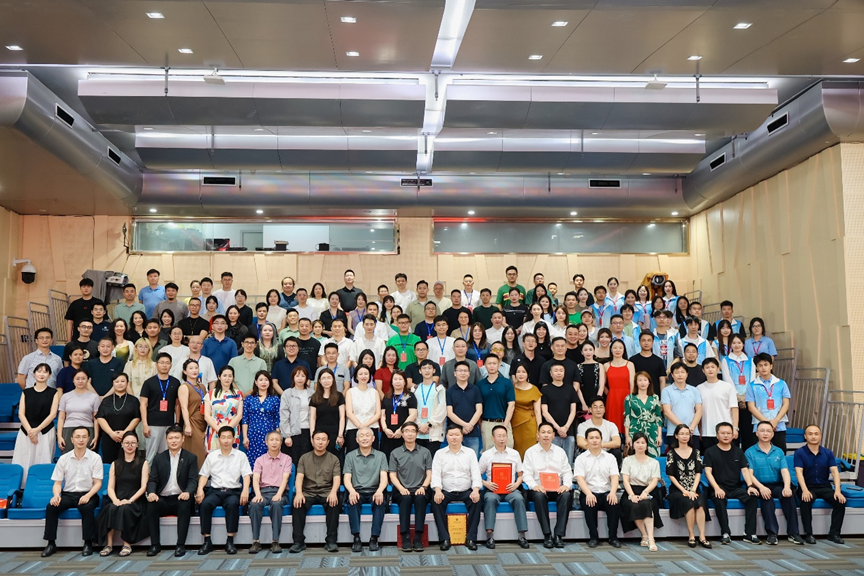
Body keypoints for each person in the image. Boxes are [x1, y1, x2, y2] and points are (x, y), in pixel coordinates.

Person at [39, 426, 102, 558]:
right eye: (78, 437)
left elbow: (98, 483)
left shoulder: (95, 457)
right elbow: (57, 483)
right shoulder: (64, 458)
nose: (81, 440)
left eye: (84, 437)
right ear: (72, 439)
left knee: (86, 508)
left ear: (88, 439)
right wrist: (56, 495)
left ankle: (88, 543)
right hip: (68, 494)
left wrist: (88, 495)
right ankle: (51, 543)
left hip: (88, 493)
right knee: (51, 507)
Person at [196, 426, 252, 555]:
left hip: (233, 491)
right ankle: (207, 541)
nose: (226, 440)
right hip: (215, 491)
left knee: (232, 505)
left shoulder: (240, 456)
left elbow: (246, 475)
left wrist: (245, 490)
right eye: (223, 437)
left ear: (234, 439)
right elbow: (204, 475)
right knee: (205, 504)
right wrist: (200, 489)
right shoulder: (212, 456)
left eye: (229, 437)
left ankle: (230, 541)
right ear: (218, 439)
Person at [746, 421, 804, 545]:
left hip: (776, 484)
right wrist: (761, 487)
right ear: (756, 433)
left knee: (788, 496)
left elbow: (785, 471)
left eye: (768, 431)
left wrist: (787, 487)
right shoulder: (750, 452)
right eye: (762, 431)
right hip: (759, 485)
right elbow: (749, 474)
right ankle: (772, 534)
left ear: (773, 434)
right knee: (766, 498)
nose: (765, 433)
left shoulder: (779, 451)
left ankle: (794, 533)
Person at [145, 425, 198, 557]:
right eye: (171, 438)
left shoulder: (191, 457)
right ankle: (155, 545)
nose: (174, 441)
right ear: (166, 440)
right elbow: (152, 480)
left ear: (183, 439)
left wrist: (188, 492)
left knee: (185, 505)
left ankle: (180, 545)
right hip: (163, 498)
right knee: (151, 505)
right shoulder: (159, 458)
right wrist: (151, 493)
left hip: (181, 498)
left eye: (176, 438)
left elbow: (193, 480)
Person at [703, 422, 759, 545]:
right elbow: (708, 472)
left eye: (728, 433)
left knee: (752, 496)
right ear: (717, 435)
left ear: (733, 435)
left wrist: (750, 486)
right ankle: (725, 532)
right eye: (723, 433)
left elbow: (745, 470)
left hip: (735, 487)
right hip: (718, 487)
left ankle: (750, 533)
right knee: (719, 499)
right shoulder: (710, 451)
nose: (726, 435)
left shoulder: (738, 451)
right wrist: (716, 488)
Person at [97, 431, 149, 557]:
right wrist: (115, 500)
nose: (129, 445)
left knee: (125, 509)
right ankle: (109, 544)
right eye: (127, 443)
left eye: (133, 443)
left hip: (136, 499)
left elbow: (144, 487)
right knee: (111, 508)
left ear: (137, 444)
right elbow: (110, 487)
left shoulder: (143, 463)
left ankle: (127, 544)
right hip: (118, 497)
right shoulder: (115, 464)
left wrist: (130, 500)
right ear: (122, 444)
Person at [431, 425, 482, 551]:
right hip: (446, 491)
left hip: (466, 491)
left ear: (462, 437)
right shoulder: (439, 454)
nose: (454, 437)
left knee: (477, 501)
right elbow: (436, 474)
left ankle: (471, 538)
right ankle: (444, 538)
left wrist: (476, 490)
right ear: (446, 437)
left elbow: (476, 473)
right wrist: (437, 490)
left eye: (457, 435)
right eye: (451, 435)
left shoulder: (470, 453)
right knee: (436, 501)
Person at [290, 429, 342, 553]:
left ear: (328, 442)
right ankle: (298, 542)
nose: (320, 442)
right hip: (308, 492)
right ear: (312, 441)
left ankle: (331, 541)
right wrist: (299, 493)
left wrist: (333, 492)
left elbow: (337, 478)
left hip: (326, 492)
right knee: (297, 504)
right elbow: (299, 477)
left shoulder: (334, 459)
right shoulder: (304, 458)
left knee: (334, 503)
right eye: (317, 439)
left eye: (323, 439)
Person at [794, 424, 847, 544]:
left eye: (816, 434)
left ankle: (834, 534)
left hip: (824, 486)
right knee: (806, 500)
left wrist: (837, 491)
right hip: (807, 486)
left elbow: (835, 472)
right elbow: (798, 472)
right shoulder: (799, 452)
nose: (813, 436)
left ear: (820, 436)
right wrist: (805, 490)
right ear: (805, 436)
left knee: (840, 501)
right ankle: (808, 534)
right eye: (810, 434)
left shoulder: (828, 453)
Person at [478, 425, 530, 549]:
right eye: (499, 436)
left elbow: (521, 474)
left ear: (507, 437)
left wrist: (516, 484)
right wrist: (486, 483)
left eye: (504, 436)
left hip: (510, 490)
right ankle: (490, 536)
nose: (502, 439)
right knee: (490, 500)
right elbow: (476, 475)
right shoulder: (486, 455)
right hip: (492, 490)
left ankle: (522, 536)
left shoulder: (514, 454)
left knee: (519, 499)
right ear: (493, 438)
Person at [523, 422, 574, 549]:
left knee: (566, 495)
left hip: (557, 488)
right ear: (538, 435)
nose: (546, 435)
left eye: (549, 432)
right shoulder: (530, 452)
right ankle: (547, 535)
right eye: (543, 432)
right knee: (539, 496)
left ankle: (558, 535)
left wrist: (566, 485)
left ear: (553, 435)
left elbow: (567, 472)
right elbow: (526, 474)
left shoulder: (560, 452)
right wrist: (534, 486)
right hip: (539, 488)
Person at [12, 363, 61, 484]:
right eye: (39, 371)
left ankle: (41, 485)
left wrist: (37, 430)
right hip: (26, 432)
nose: (41, 374)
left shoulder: (53, 392)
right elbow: (21, 414)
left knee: (43, 459)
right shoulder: (26, 392)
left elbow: (52, 415)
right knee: (23, 459)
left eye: (45, 372)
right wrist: (30, 431)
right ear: (34, 374)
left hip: (45, 431)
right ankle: (21, 487)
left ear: (49, 375)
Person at [389, 421, 433, 552]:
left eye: (413, 431)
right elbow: (392, 475)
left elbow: (429, 473)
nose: (409, 434)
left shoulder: (425, 452)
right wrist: (401, 488)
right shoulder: (395, 453)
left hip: (421, 488)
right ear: (402, 434)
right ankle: (406, 536)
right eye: (406, 431)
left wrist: (423, 487)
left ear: (417, 434)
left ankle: (418, 537)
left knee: (420, 499)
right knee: (405, 499)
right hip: (401, 489)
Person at [574, 427, 622, 548]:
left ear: (601, 440)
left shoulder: (610, 457)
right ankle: (594, 537)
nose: (594, 440)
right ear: (586, 441)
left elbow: (614, 477)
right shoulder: (581, 458)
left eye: (597, 438)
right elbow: (580, 479)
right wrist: (589, 494)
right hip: (589, 492)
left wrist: (613, 492)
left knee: (614, 503)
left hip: (606, 492)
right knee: (589, 503)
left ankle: (613, 537)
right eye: (591, 438)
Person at [343, 427, 389, 552]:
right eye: (361, 436)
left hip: (375, 490)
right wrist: (352, 491)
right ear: (357, 439)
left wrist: (379, 491)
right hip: (357, 490)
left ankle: (374, 538)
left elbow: (384, 478)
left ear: (373, 438)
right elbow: (347, 478)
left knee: (380, 502)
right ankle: (356, 538)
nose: (364, 438)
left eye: (367, 435)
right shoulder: (350, 456)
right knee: (353, 501)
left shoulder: (381, 456)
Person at [666, 424, 710, 548]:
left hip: (694, 488)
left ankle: (702, 536)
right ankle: (691, 535)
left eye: (687, 434)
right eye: (681, 434)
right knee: (689, 503)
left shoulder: (696, 452)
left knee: (700, 502)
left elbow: (698, 473)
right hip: (677, 490)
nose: (684, 436)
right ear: (676, 436)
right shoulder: (671, 453)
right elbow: (671, 475)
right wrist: (684, 490)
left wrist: (693, 489)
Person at [248, 430, 292, 554]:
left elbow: (285, 478)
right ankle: (256, 541)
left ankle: (275, 541)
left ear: (281, 442)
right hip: (263, 492)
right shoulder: (259, 460)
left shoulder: (287, 459)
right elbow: (255, 478)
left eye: (277, 440)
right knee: (255, 504)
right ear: (266, 442)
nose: (274, 442)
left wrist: (279, 494)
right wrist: (257, 495)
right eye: (271, 440)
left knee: (276, 504)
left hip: (280, 492)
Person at [621, 433, 663, 552]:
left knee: (646, 504)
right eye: (637, 442)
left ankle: (651, 539)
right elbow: (625, 480)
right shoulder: (627, 460)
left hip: (649, 490)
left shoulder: (653, 462)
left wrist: (645, 492)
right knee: (633, 504)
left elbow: (655, 481)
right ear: (633, 444)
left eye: (643, 443)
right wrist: (631, 495)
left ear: (647, 445)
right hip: (631, 490)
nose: (640, 445)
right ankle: (644, 534)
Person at [745, 353, 791, 452]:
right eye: (760, 365)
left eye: (766, 365)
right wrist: (766, 423)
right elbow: (751, 407)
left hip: (778, 425)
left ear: (771, 366)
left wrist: (776, 421)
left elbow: (786, 404)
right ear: (756, 368)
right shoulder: (752, 386)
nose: (763, 368)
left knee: (780, 452)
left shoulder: (781, 383)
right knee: (759, 453)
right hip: (759, 425)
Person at [140, 353, 181, 461]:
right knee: (150, 456)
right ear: (156, 365)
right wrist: (145, 424)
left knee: (167, 456)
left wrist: (177, 423)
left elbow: (177, 404)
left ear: (171, 365)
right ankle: (148, 473)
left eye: (167, 363)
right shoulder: (149, 383)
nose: (164, 365)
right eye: (162, 363)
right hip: (152, 424)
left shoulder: (175, 382)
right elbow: (143, 404)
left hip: (169, 424)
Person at [96, 373, 141, 464]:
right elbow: (100, 418)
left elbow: (137, 418)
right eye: (117, 381)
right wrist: (111, 433)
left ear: (127, 383)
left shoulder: (134, 400)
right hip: (109, 437)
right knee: (109, 463)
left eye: (122, 381)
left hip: (128, 439)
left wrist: (125, 433)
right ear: (113, 384)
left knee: (129, 463)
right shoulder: (106, 400)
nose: (120, 384)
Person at [540, 363, 578, 465]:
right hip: (552, 432)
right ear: (551, 373)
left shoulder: (570, 389)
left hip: (568, 431)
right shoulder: (545, 390)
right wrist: (558, 428)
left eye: (561, 370)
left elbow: (573, 411)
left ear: (564, 373)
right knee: (553, 462)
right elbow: (545, 412)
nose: (558, 373)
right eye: (556, 370)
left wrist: (565, 427)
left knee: (568, 462)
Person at [698, 358, 738, 452]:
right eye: (707, 367)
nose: (710, 369)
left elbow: (734, 409)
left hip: (726, 432)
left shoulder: (727, 386)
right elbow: (698, 411)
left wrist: (735, 428)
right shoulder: (699, 388)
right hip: (707, 431)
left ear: (718, 369)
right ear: (703, 370)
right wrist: (700, 430)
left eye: (713, 367)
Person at [242, 371, 281, 467]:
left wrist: (277, 438)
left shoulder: (275, 399)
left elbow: (277, 419)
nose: (263, 382)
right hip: (253, 436)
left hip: (269, 436)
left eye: (266, 380)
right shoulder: (249, 399)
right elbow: (245, 419)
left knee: (269, 461)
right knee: (253, 462)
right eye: (261, 380)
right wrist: (245, 437)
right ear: (256, 382)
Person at [445, 361, 484, 456]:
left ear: (469, 373)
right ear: (455, 373)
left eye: (465, 371)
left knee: (472, 459)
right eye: (460, 371)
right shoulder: (450, 391)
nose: (463, 373)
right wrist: (464, 425)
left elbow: (479, 410)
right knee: (454, 459)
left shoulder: (475, 389)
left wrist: (470, 425)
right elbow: (449, 412)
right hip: (455, 432)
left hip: (472, 432)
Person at [57, 369, 100, 453]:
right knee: (68, 457)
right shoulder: (65, 396)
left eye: (83, 378)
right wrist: (59, 436)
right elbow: (61, 418)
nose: (80, 381)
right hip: (68, 430)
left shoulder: (94, 397)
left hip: (87, 429)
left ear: (88, 380)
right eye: (77, 379)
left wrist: (96, 436)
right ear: (73, 380)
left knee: (87, 457)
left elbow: (96, 419)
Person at [478, 354, 515, 451]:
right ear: (485, 365)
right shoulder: (480, 384)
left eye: (494, 363)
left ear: (498, 365)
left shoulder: (506, 382)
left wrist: (505, 425)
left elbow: (511, 405)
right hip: (487, 423)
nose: (492, 366)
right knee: (488, 453)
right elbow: (478, 406)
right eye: (489, 363)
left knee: (508, 451)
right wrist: (481, 424)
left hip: (504, 422)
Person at [660, 362, 703, 446]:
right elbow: (667, 412)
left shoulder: (694, 390)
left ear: (687, 374)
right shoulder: (666, 391)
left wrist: (692, 427)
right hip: (674, 432)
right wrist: (682, 428)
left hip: (692, 431)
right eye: (677, 372)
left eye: (682, 372)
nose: (680, 375)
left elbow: (699, 410)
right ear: (672, 375)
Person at [623, 372, 664, 458]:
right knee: (635, 457)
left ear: (649, 382)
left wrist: (659, 436)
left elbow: (658, 418)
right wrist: (627, 436)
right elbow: (627, 418)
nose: (642, 383)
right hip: (635, 429)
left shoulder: (655, 398)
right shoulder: (629, 398)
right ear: (636, 382)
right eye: (640, 380)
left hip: (652, 430)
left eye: (645, 380)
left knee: (653, 457)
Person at [176, 359, 208, 467]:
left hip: (203, 421)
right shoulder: (184, 387)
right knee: (196, 451)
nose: (194, 370)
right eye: (191, 368)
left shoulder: (202, 387)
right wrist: (187, 425)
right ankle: (194, 475)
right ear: (185, 371)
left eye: (196, 368)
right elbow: (184, 408)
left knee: (204, 451)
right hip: (192, 421)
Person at [204, 366, 244, 452]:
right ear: (219, 377)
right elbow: (207, 416)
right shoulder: (210, 394)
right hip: (214, 429)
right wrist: (220, 430)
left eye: (230, 376)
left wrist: (227, 431)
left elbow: (239, 415)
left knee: (232, 455)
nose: (227, 378)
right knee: (214, 456)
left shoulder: (238, 394)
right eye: (224, 375)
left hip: (232, 429)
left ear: (233, 378)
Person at [280, 366, 314, 465]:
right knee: (293, 462)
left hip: (308, 431)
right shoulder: (287, 393)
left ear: (307, 378)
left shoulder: (312, 393)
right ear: (293, 377)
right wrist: (287, 435)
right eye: (297, 376)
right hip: (293, 432)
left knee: (307, 462)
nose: (300, 378)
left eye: (303, 376)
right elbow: (284, 416)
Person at [309, 369, 346, 458]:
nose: (326, 381)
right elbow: (312, 418)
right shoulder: (315, 397)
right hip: (320, 436)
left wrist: (340, 435)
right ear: (319, 381)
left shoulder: (339, 396)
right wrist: (312, 436)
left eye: (329, 378)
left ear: (333, 379)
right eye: (323, 378)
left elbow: (342, 416)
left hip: (335, 435)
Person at [379, 371, 417, 457]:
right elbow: (383, 415)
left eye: (400, 379)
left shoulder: (410, 396)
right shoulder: (387, 396)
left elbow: (413, 414)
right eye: (395, 379)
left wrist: (401, 429)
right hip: (387, 434)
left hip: (403, 434)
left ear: (404, 382)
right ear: (392, 382)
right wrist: (385, 429)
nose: (397, 381)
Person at [344, 365, 381, 453]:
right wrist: (360, 426)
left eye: (366, 374)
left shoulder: (374, 392)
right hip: (353, 428)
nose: (363, 376)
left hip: (371, 428)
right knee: (353, 456)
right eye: (360, 374)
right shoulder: (350, 392)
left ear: (370, 376)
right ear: (356, 376)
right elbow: (349, 413)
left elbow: (378, 413)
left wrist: (366, 425)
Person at [576, 397, 622, 461]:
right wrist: (595, 448)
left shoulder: (611, 425)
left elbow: (617, 442)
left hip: (606, 453)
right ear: (590, 410)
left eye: (601, 407)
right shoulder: (583, 425)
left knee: (617, 452)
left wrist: (600, 445)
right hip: (590, 452)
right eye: (595, 407)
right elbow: (580, 442)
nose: (598, 410)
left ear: (604, 410)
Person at [511, 364, 542, 458]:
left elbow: (538, 411)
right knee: (515, 451)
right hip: (514, 424)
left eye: (524, 372)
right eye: (518, 372)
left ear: (528, 374)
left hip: (530, 425)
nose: (521, 374)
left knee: (530, 452)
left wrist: (539, 429)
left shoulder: (534, 389)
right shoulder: (510, 388)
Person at [604, 340, 635, 431]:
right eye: (615, 348)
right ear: (611, 349)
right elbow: (602, 384)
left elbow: (632, 383)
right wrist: (610, 393)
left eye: (620, 348)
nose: (618, 350)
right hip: (612, 398)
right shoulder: (606, 365)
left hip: (627, 397)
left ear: (624, 350)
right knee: (612, 424)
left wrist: (631, 398)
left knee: (627, 423)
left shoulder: (630, 364)